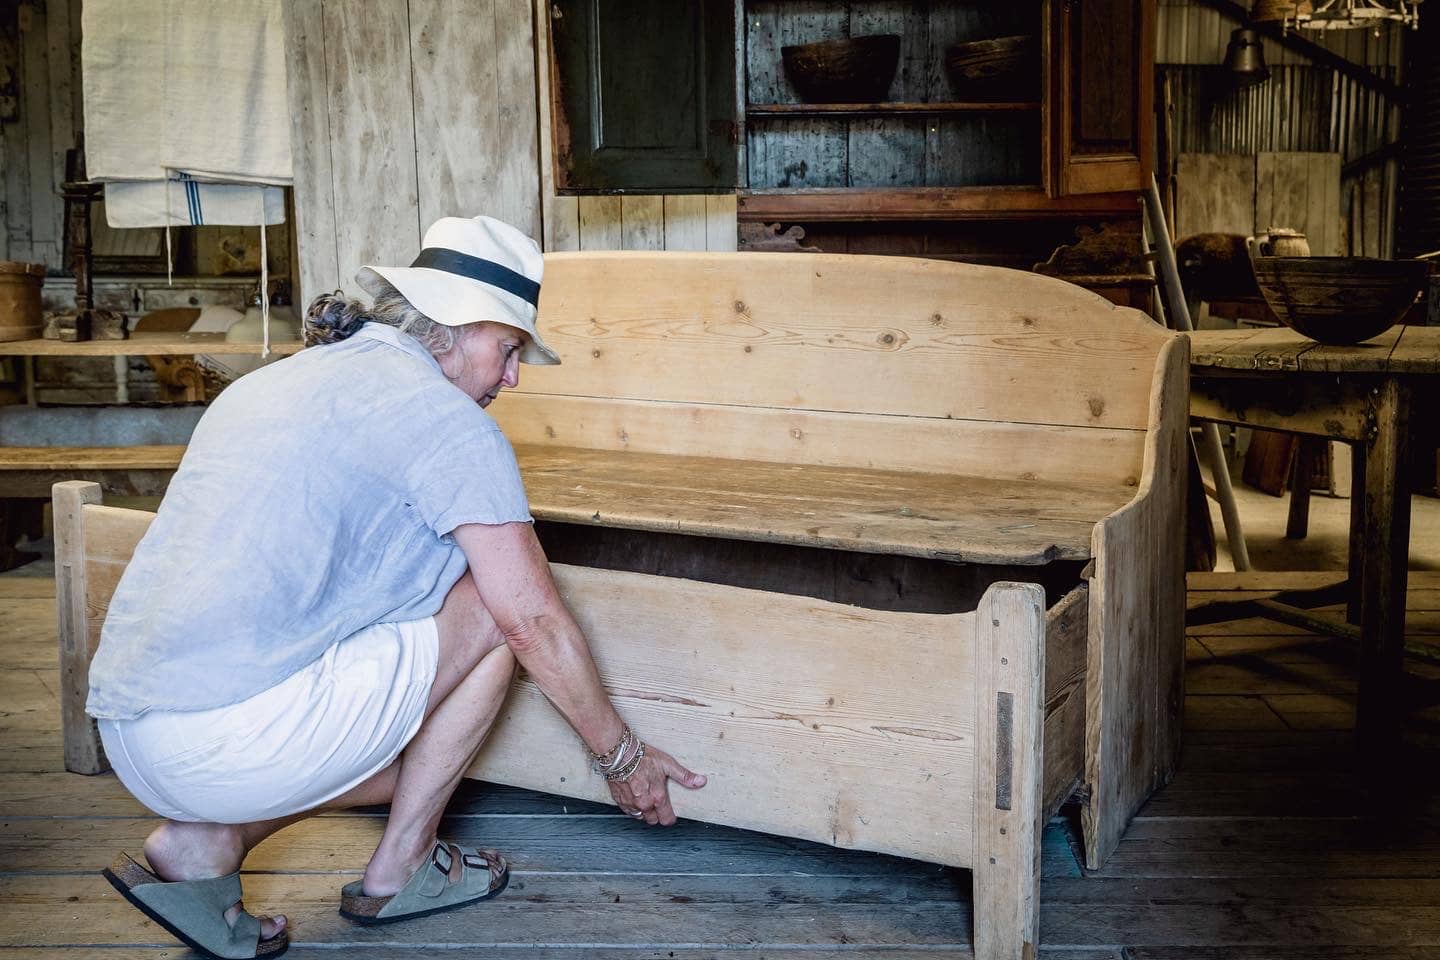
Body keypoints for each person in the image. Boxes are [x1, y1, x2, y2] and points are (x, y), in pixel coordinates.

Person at [85, 215, 708, 960]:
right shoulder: (446, 420)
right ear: (458, 327)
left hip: (128, 727)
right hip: (225, 737)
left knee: (398, 739)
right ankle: (403, 866)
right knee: (495, 601)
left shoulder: (286, 377)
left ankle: (210, 841)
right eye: (509, 350)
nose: (512, 378)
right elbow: (530, 621)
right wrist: (624, 759)